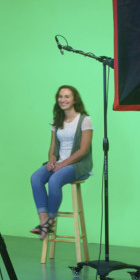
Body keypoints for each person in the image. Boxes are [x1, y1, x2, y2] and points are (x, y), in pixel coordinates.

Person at [29, 85, 93, 238]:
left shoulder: (85, 120)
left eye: (67, 96)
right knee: (36, 178)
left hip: (77, 165)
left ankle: (50, 221)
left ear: (74, 99)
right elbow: (52, 147)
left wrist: (62, 165)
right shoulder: (56, 120)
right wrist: (52, 160)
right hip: (59, 163)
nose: (62, 99)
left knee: (54, 180)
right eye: (60, 96)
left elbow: (83, 150)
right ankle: (44, 221)